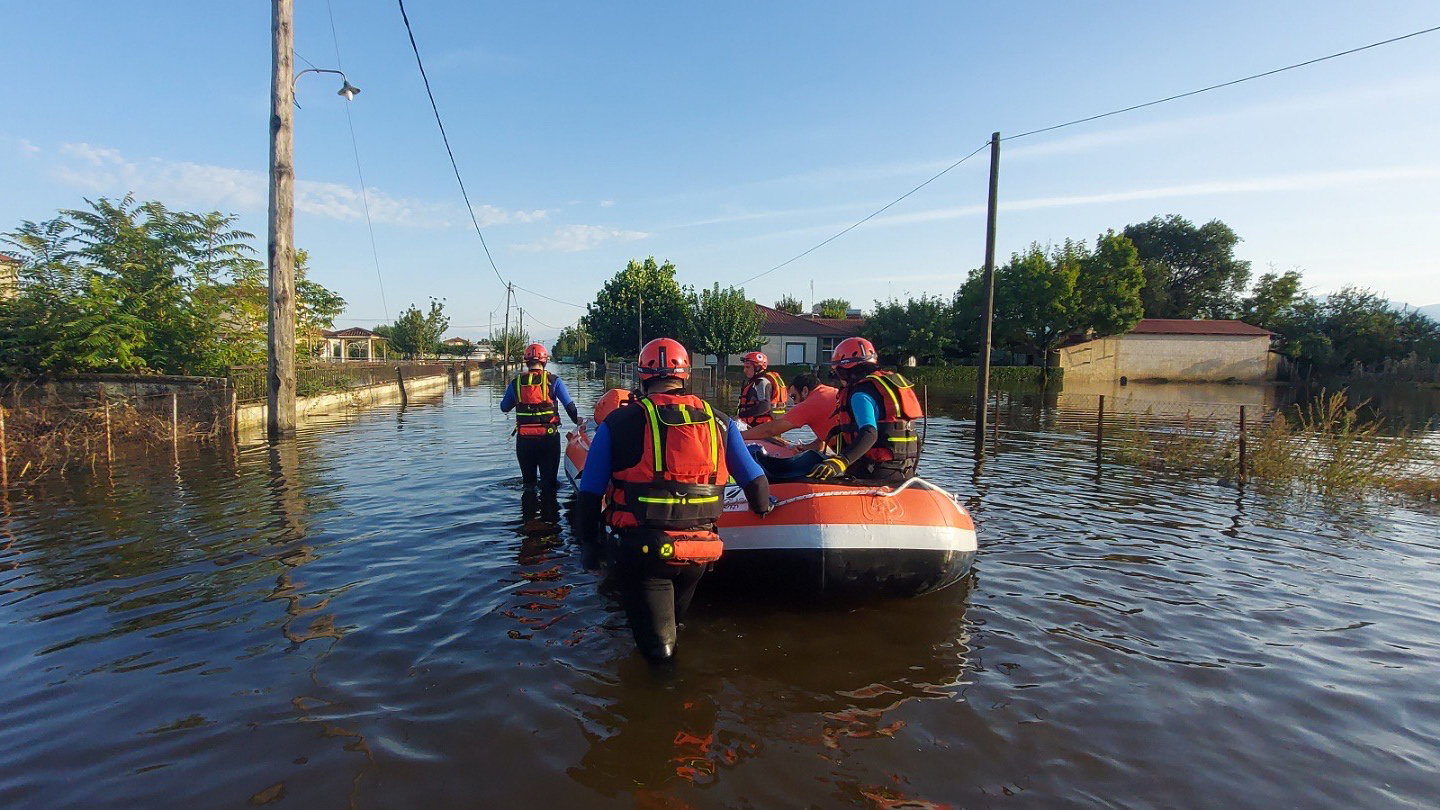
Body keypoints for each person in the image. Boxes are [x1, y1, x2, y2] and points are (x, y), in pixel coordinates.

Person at [576, 338, 771, 664]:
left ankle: (666, 699)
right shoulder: (720, 422)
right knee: (675, 626)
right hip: (699, 552)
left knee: (658, 654)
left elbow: (590, 492)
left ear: (642, 376)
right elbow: (758, 486)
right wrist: (762, 509)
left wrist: (588, 545)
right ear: (685, 376)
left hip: (645, 553)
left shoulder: (618, 423)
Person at [811, 337, 923, 485]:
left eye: (839, 373)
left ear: (847, 370)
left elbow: (869, 433)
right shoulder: (889, 386)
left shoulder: (860, 394)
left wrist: (842, 462)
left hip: (875, 473)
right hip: (905, 471)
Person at [500, 343, 581, 492]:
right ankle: (550, 513)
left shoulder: (516, 383)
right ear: (545, 361)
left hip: (524, 441)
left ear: (526, 361)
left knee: (528, 485)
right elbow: (570, 406)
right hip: (548, 439)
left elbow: (504, 407)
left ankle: (528, 513)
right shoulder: (554, 381)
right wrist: (578, 421)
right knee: (549, 484)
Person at [736, 351, 787, 426]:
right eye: (744, 367)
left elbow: (765, 406)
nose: (745, 370)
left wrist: (741, 415)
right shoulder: (759, 381)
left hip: (760, 426)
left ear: (758, 367)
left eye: (748, 367)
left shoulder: (761, 382)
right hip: (765, 426)